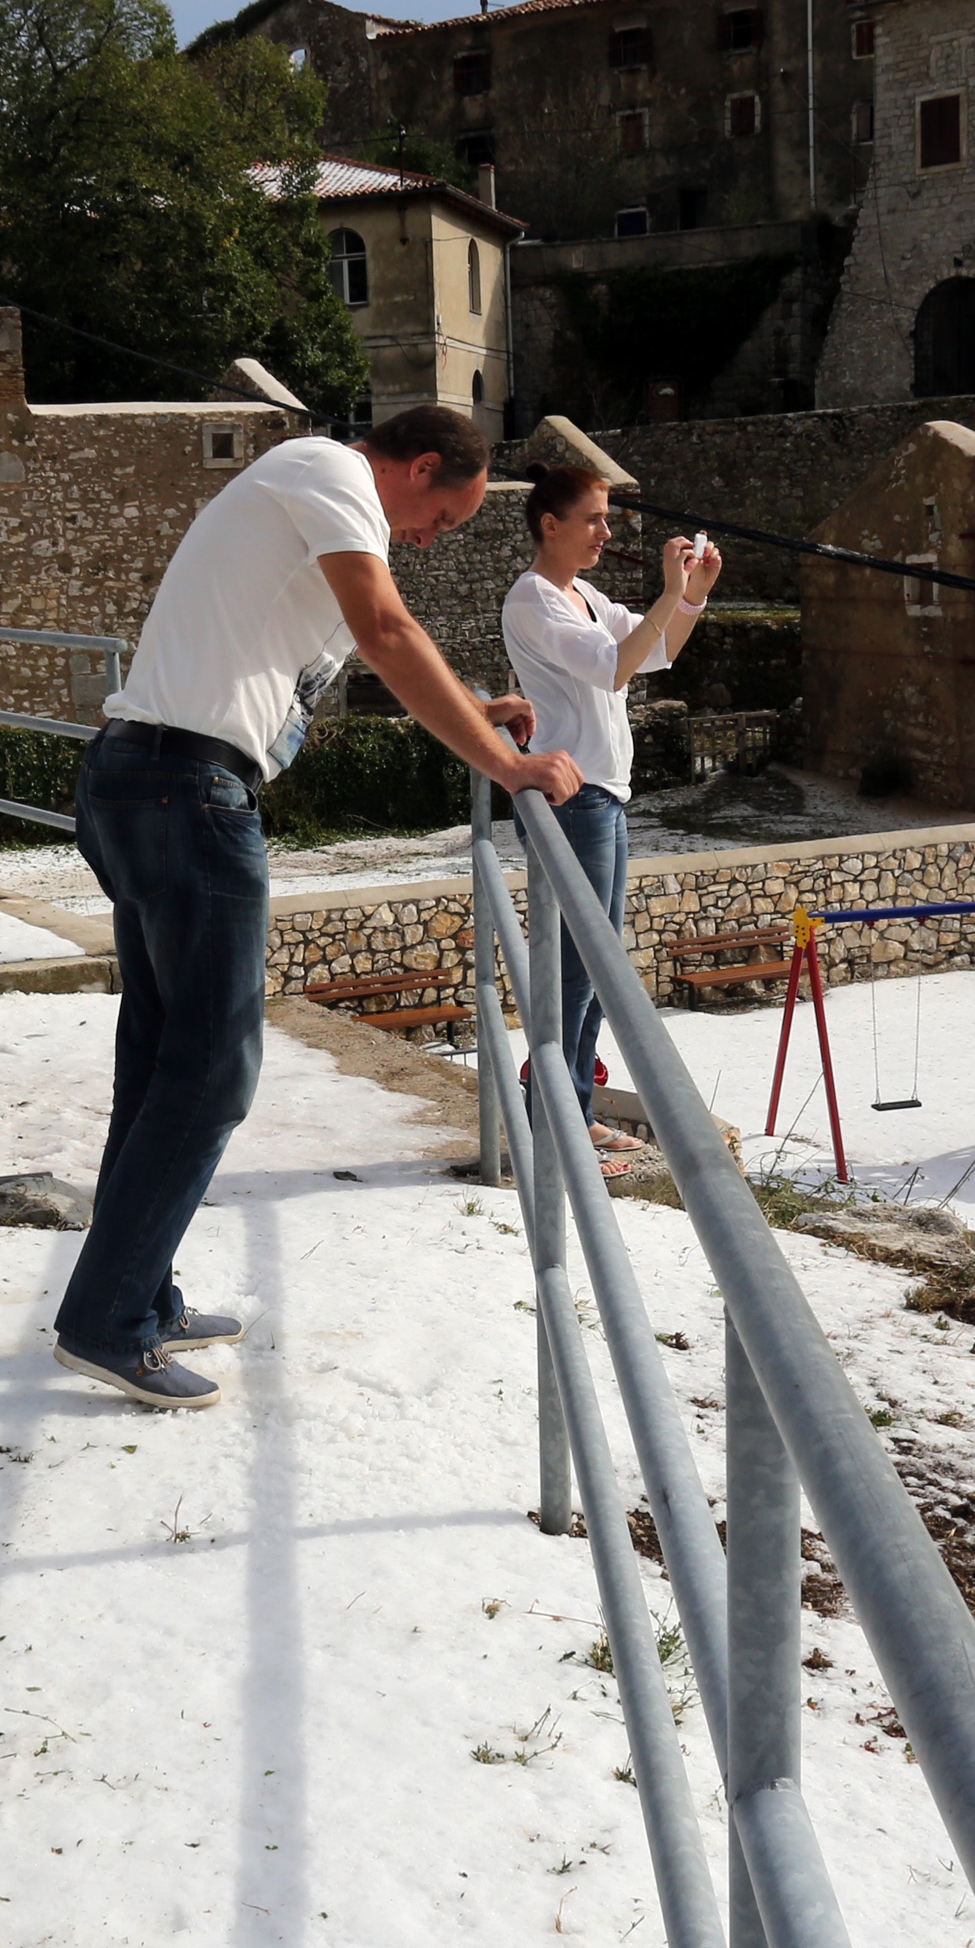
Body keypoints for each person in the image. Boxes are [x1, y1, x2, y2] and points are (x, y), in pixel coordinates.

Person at [54, 406, 580, 1411]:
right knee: (211, 1072)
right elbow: (389, 631)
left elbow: (339, 656)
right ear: (419, 466)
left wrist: (475, 708)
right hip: (181, 791)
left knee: (164, 1062)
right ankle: (105, 1321)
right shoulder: (327, 472)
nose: (429, 541)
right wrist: (505, 761)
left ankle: (138, 1294)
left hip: (150, 780)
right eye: (442, 517)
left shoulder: (314, 501)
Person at [503, 462, 722, 1162]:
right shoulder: (534, 600)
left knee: (597, 967)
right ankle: (554, 1115)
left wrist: (690, 598)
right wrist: (667, 591)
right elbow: (612, 669)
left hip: (604, 796)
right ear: (551, 524)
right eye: (594, 518)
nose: (605, 530)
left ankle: (574, 1108)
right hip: (573, 799)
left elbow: (652, 651)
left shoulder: (585, 596)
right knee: (579, 966)